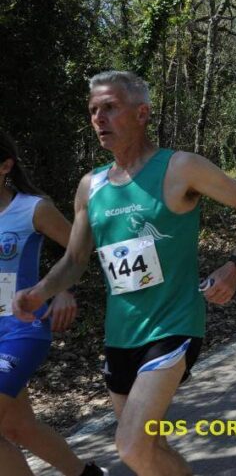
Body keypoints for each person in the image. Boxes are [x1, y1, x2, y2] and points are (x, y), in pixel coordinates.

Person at [14, 70, 236, 476]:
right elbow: (76, 260)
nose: (99, 118)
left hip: (173, 325)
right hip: (120, 334)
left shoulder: (179, 167)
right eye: (93, 110)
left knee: (131, 446)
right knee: (151, 448)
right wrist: (39, 292)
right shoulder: (91, 186)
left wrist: (235, 265)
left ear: (142, 113)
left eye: (110, 108)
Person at [0, 132, 107, 476]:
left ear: (5, 166)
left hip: (21, 329)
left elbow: (77, 252)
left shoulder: (32, 208)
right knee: (18, 428)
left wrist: (60, 290)